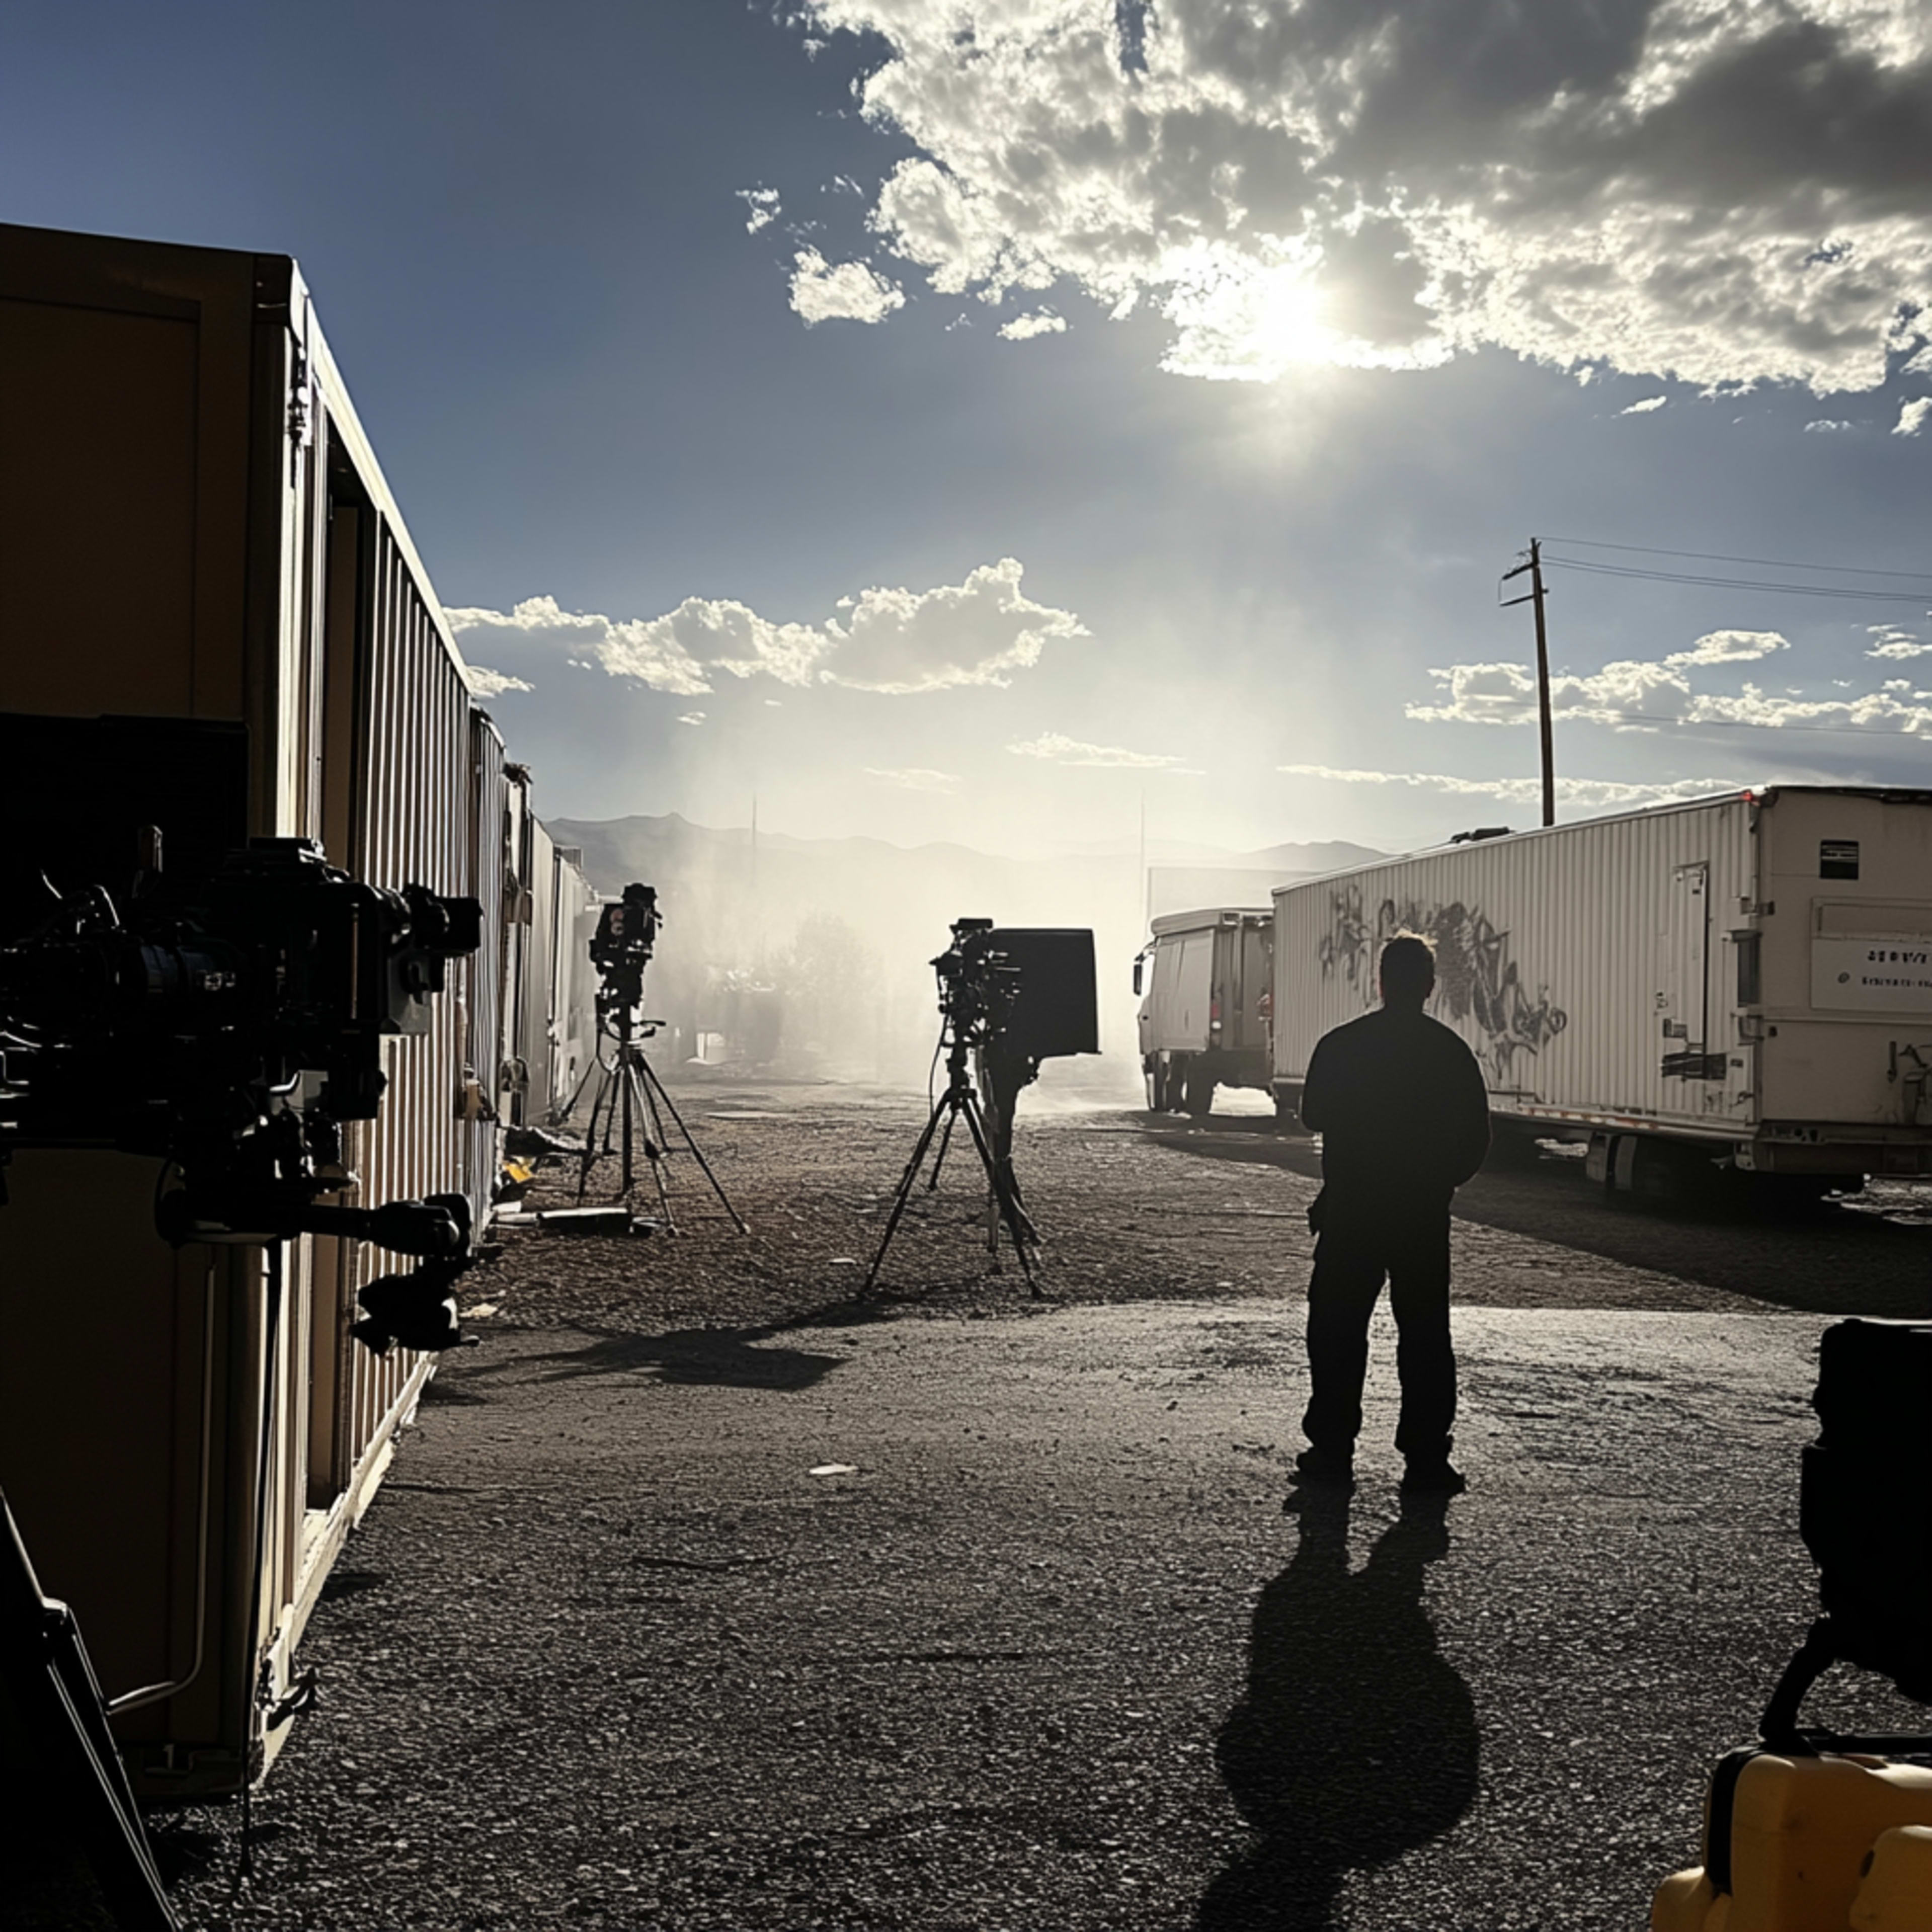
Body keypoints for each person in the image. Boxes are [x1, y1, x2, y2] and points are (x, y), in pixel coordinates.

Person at [1293, 933, 1490, 1497]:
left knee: (1337, 1328)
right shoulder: (1450, 1052)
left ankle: (1332, 1448)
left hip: (1352, 1211)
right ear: (1430, 986)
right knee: (1425, 1333)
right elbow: (1476, 1139)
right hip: (1421, 1216)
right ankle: (1426, 1455)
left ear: (1379, 982)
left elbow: (1313, 1116)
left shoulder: (1342, 1045)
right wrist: (1437, 1184)